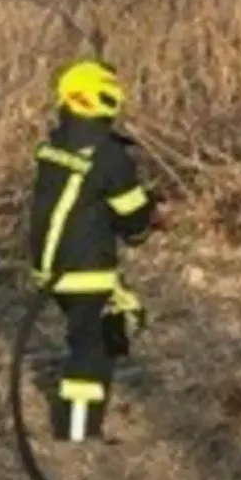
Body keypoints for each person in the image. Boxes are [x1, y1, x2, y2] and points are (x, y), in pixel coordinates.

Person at [27, 58, 164, 442]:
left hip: (50, 267)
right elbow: (133, 217)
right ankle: (77, 435)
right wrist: (150, 216)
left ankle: (93, 401)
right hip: (84, 269)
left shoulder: (53, 146)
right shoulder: (109, 156)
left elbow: (82, 198)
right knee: (91, 347)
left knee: (116, 316)